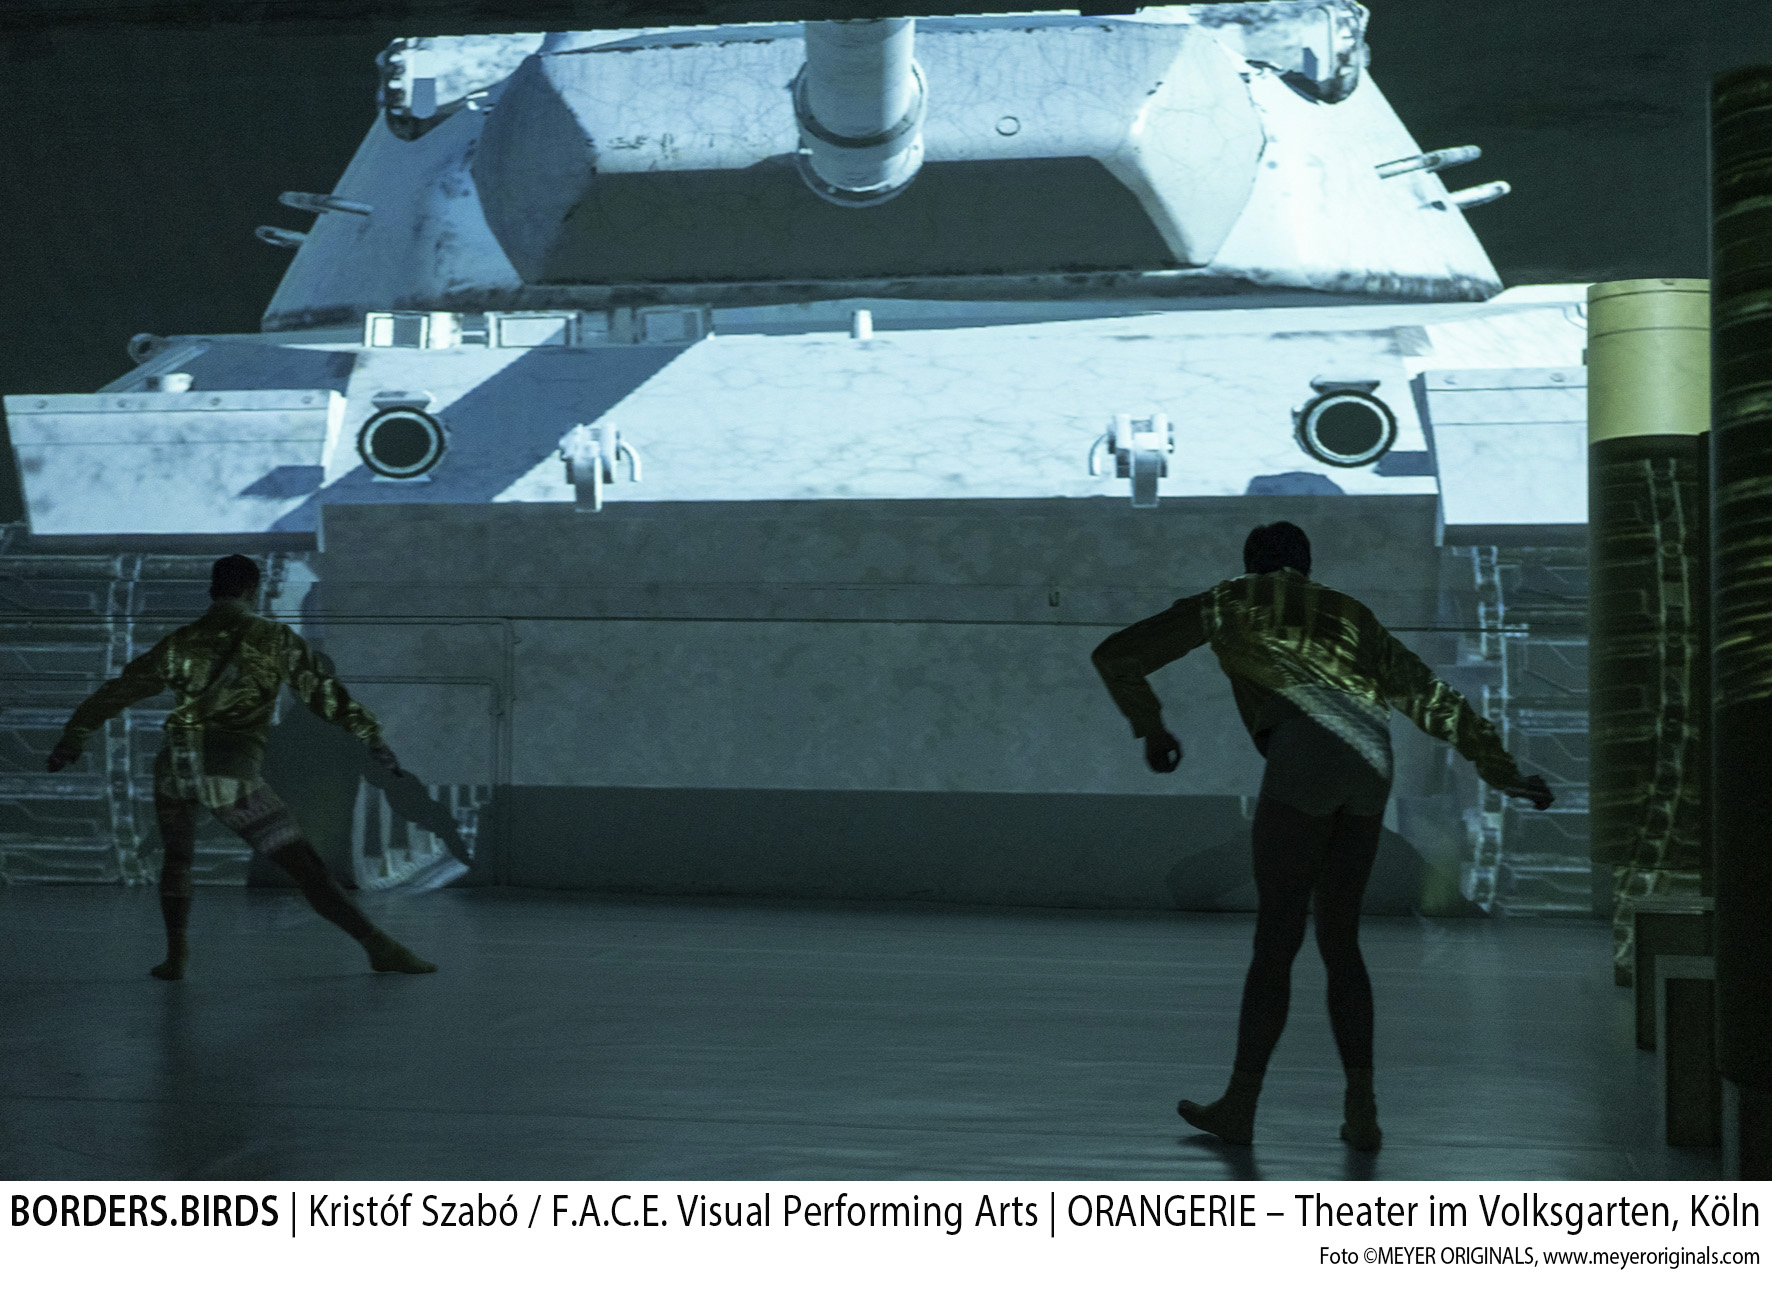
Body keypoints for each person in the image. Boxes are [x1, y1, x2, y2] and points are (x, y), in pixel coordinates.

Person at [1091, 522, 1551, 1151]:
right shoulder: (1351, 614)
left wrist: (1151, 726)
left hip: (1303, 749)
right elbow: (1432, 698)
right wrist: (1503, 772)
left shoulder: (1231, 599)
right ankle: (1362, 1110)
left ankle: (1241, 1104)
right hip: (1371, 757)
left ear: (1251, 563)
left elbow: (1117, 655)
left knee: (1276, 943)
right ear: (1307, 565)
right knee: (1341, 944)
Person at [46, 554, 437, 980]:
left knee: (177, 860)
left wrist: (73, 738)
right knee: (305, 867)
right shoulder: (271, 637)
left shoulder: (181, 641)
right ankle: (378, 947)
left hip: (175, 768)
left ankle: (176, 957)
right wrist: (371, 736)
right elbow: (323, 693)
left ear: (212, 589)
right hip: (228, 773)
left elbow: (118, 691)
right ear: (252, 588)